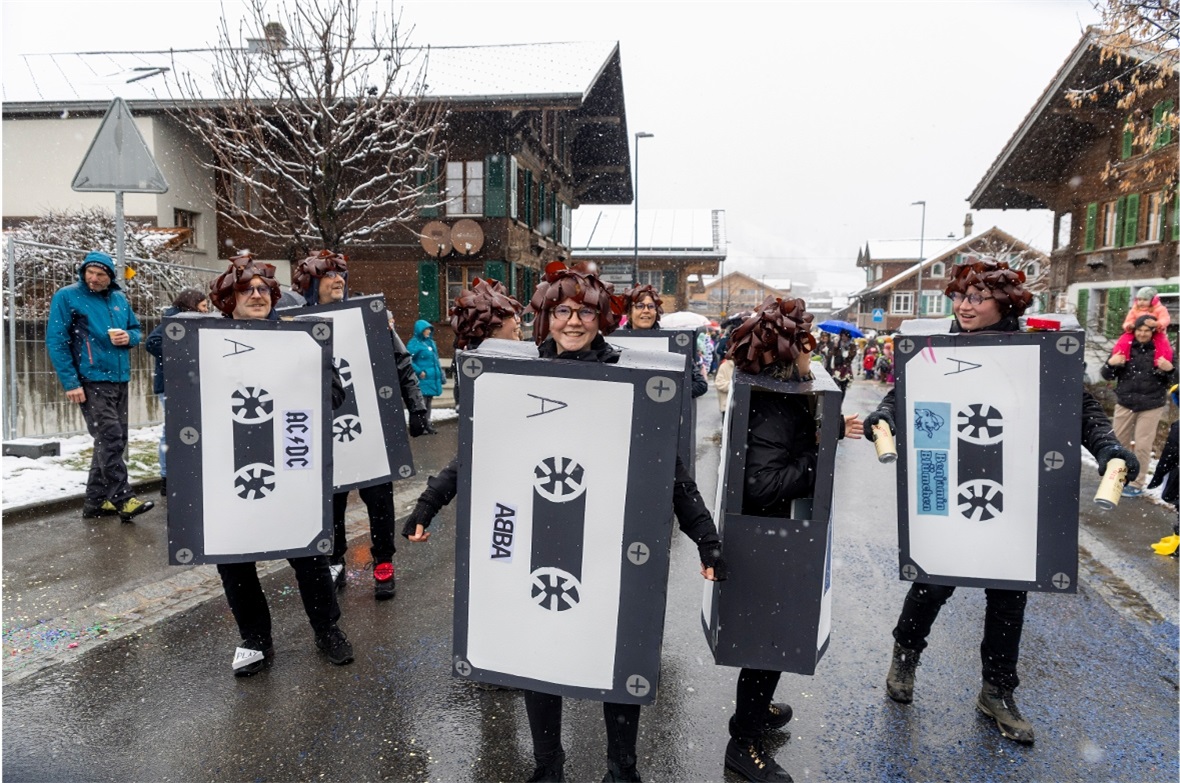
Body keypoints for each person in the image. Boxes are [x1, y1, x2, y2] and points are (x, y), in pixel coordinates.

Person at [404, 263, 726, 782]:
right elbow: (474, 455)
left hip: (608, 554)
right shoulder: (520, 379)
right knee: (543, 650)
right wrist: (429, 504)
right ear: (546, 317)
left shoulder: (633, 379)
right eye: (562, 311)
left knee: (616, 652)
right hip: (539, 542)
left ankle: (622, 769)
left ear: (600, 318)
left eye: (583, 312)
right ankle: (548, 765)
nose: (572, 322)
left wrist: (706, 539)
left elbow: (671, 476)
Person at [864, 256, 1137, 745]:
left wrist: (1109, 448)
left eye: (977, 297)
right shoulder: (935, 349)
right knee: (931, 583)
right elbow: (904, 396)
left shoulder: (1040, 349)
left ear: (1004, 302)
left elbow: (1081, 411)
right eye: (959, 295)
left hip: (1015, 494)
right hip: (950, 492)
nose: (964, 305)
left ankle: (997, 691)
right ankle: (904, 659)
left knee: (1009, 598)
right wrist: (885, 416)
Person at [721, 297, 863, 783]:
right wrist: (815, 460)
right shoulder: (775, 405)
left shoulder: (780, 394)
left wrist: (830, 436)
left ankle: (755, 715)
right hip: (770, 537)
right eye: (808, 342)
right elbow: (761, 482)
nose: (815, 350)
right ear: (790, 348)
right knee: (767, 644)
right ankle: (744, 743)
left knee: (770, 642)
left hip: (777, 533)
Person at [207, 252, 354, 675]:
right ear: (228, 299)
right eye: (246, 288)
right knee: (234, 557)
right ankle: (255, 639)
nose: (257, 294)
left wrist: (310, 382)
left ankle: (327, 629)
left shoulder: (301, 340)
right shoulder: (207, 343)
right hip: (232, 466)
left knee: (306, 552)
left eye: (264, 289)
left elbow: (334, 396)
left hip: (291, 464)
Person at [291, 249, 430, 599]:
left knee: (379, 501)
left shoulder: (369, 318)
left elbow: (401, 363)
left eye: (342, 275)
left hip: (372, 430)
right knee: (332, 503)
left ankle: (383, 562)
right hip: (326, 432)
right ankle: (335, 559)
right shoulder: (295, 324)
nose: (338, 280)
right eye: (329, 275)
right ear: (312, 283)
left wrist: (416, 408)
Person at [46, 251, 155, 523]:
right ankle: (123, 498)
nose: (93, 279)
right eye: (89, 273)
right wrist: (71, 382)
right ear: (83, 272)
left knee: (111, 439)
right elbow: (56, 341)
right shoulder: (67, 296)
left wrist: (127, 337)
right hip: (90, 379)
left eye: (100, 274)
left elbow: (136, 330)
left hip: (119, 378)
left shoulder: (119, 299)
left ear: (110, 277)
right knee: (110, 438)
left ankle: (96, 502)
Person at [1101, 314, 1177, 497]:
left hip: (1151, 404)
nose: (1142, 334)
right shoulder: (1123, 348)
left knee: (1143, 446)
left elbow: (1176, 379)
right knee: (1118, 443)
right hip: (1125, 402)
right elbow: (1106, 375)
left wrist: (1170, 369)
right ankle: (1116, 480)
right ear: (1134, 330)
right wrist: (1111, 364)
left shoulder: (1163, 350)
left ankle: (1136, 483)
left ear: (1153, 333)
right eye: (1139, 330)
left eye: (1146, 331)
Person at [144, 288, 209, 497]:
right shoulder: (174, 320)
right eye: (203, 306)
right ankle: (167, 476)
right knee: (172, 430)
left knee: (178, 430)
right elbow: (151, 343)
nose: (207, 310)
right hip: (172, 384)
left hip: (180, 383)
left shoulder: (184, 319)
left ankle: (174, 475)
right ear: (192, 304)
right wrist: (178, 353)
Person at [621, 284, 708, 398]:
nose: (646, 311)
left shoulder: (672, 344)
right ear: (629, 312)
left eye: (651, 306)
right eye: (640, 306)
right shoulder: (615, 342)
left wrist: (667, 395)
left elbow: (700, 385)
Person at [1111, 286, 1173, 364]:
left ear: (1153, 300)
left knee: (1163, 345)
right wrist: (1129, 326)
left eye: (1145, 299)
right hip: (1136, 332)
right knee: (1123, 341)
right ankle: (1120, 358)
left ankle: (1161, 363)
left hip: (1156, 332)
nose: (1141, 302)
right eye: (1139, 299)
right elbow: (1128, 321)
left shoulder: (1160, 309)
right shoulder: (1134, 310)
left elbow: (1165, 319)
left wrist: (1157, 324)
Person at [407, 318, 444, 433]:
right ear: (420, 330)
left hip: (431, 378)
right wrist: (419, 371)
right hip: (422, 378)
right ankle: (420, 426)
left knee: (428, 403)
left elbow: (435, 360)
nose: (428, 331)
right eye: (426, 329)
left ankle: (427, 425)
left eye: (429, 329)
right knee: (421, 403)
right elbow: (408, 360)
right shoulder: (414, 344)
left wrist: (440, 374)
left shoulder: (431, 343)